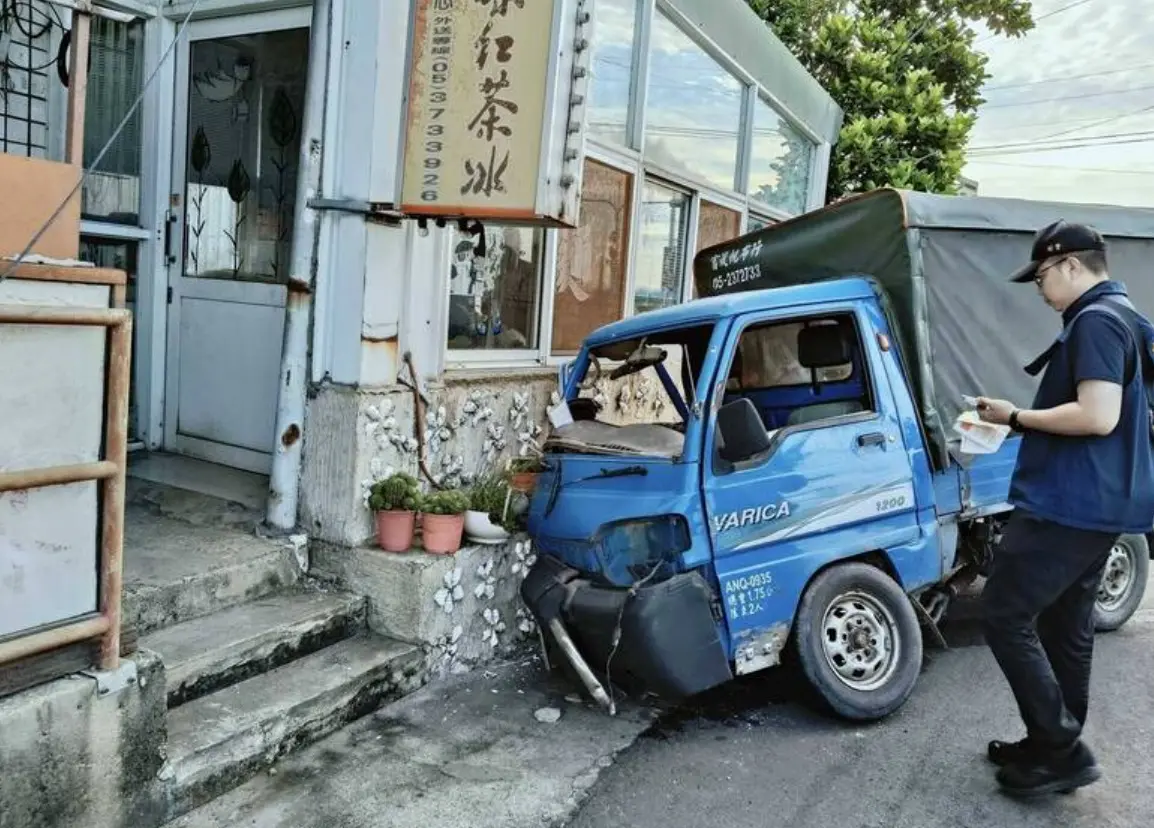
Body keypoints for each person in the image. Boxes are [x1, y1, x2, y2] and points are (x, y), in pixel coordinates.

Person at [975, 220, 1154, 798]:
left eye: (1043, 275)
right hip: (1102, 503)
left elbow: (1098, 415)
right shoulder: (1125, 316)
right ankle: (1052, 741)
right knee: (1065, 625)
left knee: (1003, 613)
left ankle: (1062, 749)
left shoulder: (1096, 323)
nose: (1039, 288)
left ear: (1072, 265)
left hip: (1069, 503)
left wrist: (1014, 418)